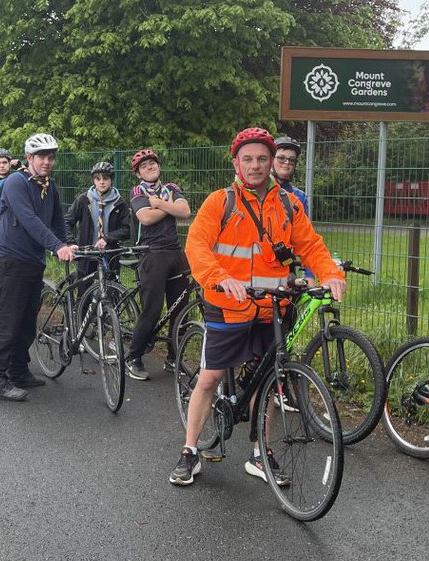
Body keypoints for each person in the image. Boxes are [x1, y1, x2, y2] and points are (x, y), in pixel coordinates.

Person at [170, 127, 345, 487]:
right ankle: (190, 450)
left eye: (262, 159)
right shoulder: (221, 202)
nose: (255, 165)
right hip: (228, 305)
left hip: (271, 308)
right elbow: (197, 246)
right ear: (236, 163)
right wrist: (219, 277)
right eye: (247, 159)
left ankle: (259, 453)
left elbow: (310, 244)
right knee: (210, 377)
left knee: (268, 380)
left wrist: (329, 273)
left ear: (272, 162)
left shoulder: (287, 202)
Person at [0, 133, 75, 401]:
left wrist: (67, 244)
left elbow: (57, 219)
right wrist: (57, 247)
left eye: (51, 157)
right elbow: (30, 219)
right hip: (11, 260)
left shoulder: (49, 186)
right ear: (29, 158)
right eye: (42, 156)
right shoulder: (15, 182)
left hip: (33, 260)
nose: (47, 161)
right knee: (7, 320)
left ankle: (18, 370)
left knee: (26, 321)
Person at [125, 148, 191, 381]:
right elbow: (145, 217)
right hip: (151, 254)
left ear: (158, 166)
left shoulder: (171, 188)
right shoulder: (137, 191)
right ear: (138, 173)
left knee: (182, 309)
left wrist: (158, 203)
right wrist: (168, 206)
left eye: (152, 163)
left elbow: (185, 211)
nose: (150, 167)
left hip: (175, 253)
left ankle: (174, 358)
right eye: (144, 166)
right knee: (152, 310)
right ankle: (134, 357)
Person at [64, 161, 132, 298]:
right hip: (87, 254)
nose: (102, 182)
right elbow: (66, 221)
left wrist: (108, 238)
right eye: (98, 178)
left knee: (111, 294)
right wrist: (71, 242)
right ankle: (81, 317)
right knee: (84, 295)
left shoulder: (120, 203)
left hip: (109, 255)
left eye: (105, 178)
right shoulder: (84, 200)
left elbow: (127, 229)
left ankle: (107, 318)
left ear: (111, 180)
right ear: (93, 180)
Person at [271, 136, 309, 211]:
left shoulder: (300, 196)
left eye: (292, 160)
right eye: (281, 158)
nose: (287, 162)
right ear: (271, 160)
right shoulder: (259, 192)